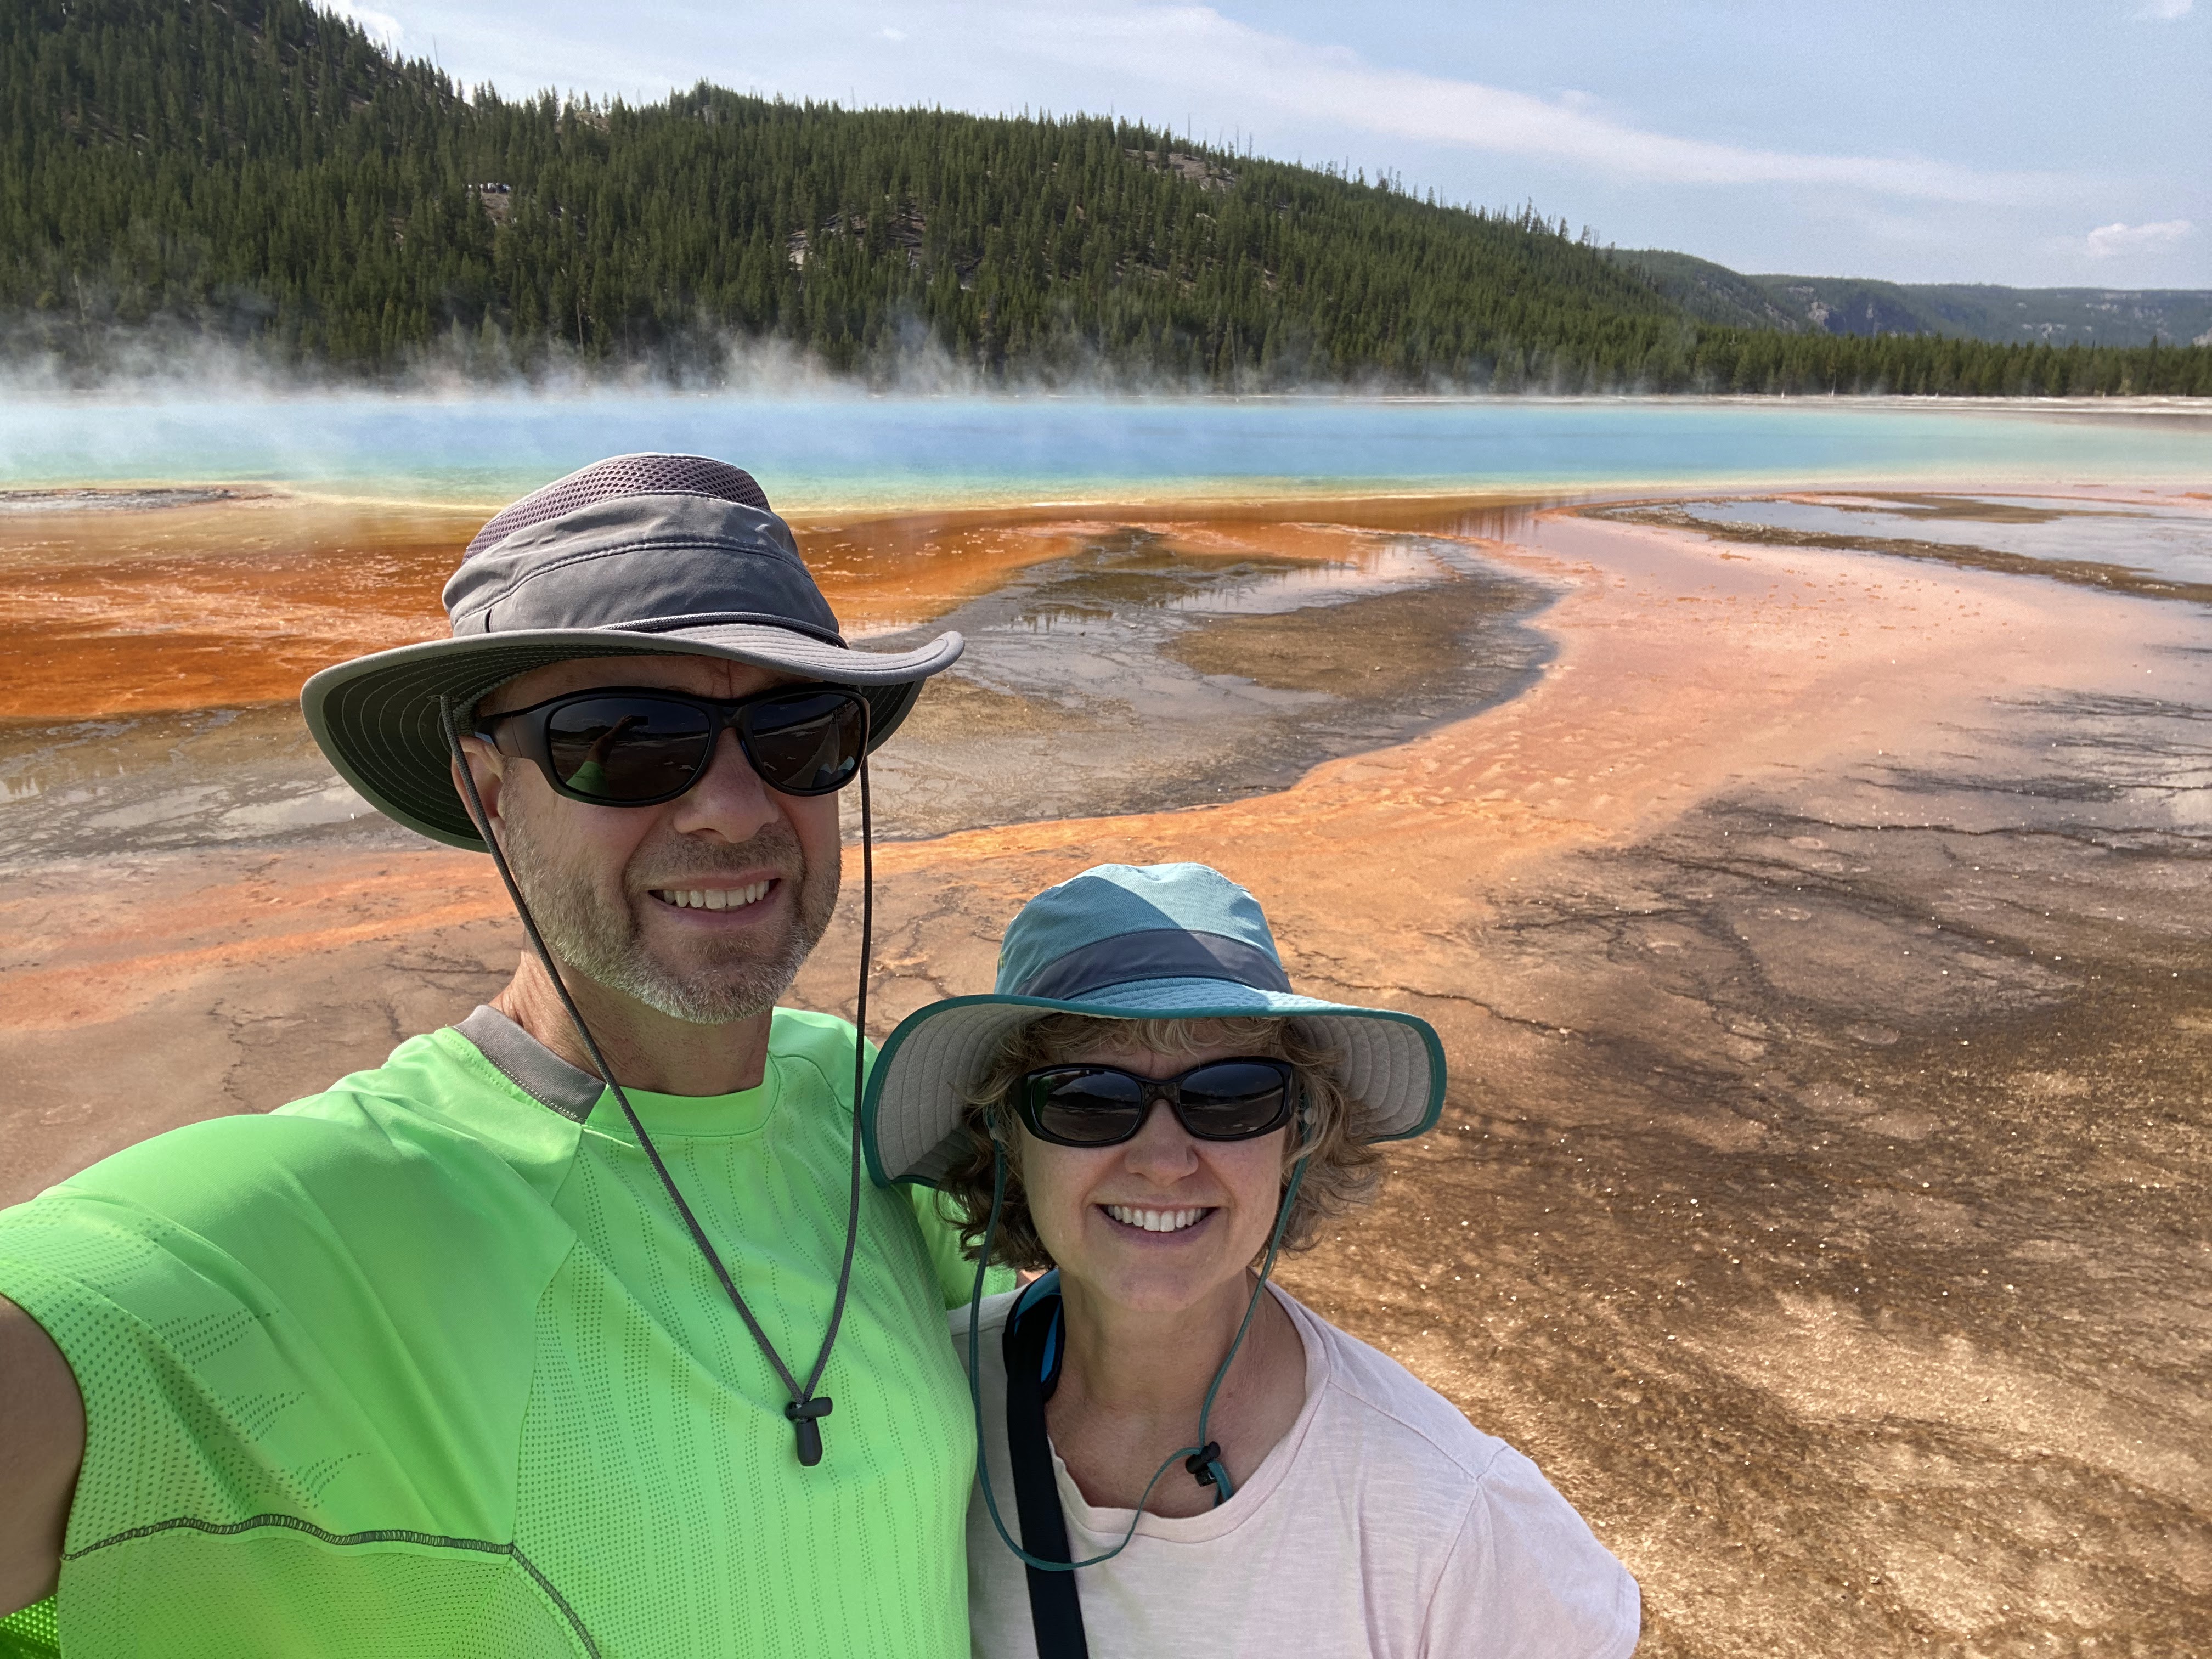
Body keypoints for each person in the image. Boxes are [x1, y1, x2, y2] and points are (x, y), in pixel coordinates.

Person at [0, 454, 1007, 1658]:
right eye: (628, 741)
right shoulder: (340, 1213)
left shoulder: (874, 1106)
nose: (737, 808)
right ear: (487, 796)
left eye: (799, 734)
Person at [862, 862, 1640, 1658]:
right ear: (1006, 1136)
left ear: (1299, 1132)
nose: (1163, 1161)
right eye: (1087, 1098)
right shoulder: (905, 1418)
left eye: (1231, 1095)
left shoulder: (1452, 1519)